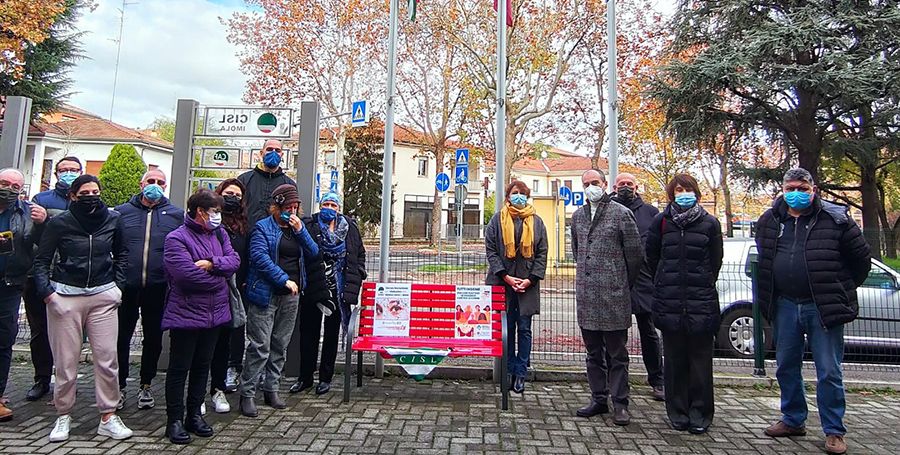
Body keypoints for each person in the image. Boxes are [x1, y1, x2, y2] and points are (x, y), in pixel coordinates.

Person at [757, 168, 870, 455]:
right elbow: (766, 257)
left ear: (813, 189)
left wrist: (837, 289)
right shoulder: (770, 220)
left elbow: (861, 261)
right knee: (785, 365)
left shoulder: (836, 219)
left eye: (803, 187)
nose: (797, 192)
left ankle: (834, 430)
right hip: (784, 304)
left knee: (829, 370)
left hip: (821, 306)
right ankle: (793, 419)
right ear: (783, 189)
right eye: (791, 187)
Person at [32, 175, 133, 442]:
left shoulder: (113, 219)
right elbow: (41, 260)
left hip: (103, 295)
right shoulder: (59, 222)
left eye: (95, 191)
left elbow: (123, 253)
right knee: (65, 363)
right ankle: (63, 415)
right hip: (65, 296)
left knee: (107, 358)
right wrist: (49, 295)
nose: (92, 195)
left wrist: (117, 288)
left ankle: (108, 415)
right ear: (74, 196)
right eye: (85, 191)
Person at [645, 173, 723, 435]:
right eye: (679, 189)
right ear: (672, 194)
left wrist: (700, 281)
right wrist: (666, 281)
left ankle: (700, 413)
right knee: (675, 362)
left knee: (700, 363)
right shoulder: (661, 222)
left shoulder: (710, 223)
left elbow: (715, 261)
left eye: (688, 189)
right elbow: (652, 257)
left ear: (697, 193)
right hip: (670, 301)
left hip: (701, 301)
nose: (683, 193)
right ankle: (677, 412)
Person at [161, 188, 240, 444]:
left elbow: (234, 261)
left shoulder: (219, 233)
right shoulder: (177, 238)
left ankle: (194, 415)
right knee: (179, 368)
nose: (218, 216)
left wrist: (212, 265)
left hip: (214, 315)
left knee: (202, 367)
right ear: (200, 212)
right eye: (215, 211)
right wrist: (219, 278)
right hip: (185, 314)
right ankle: (174, 419)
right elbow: (186, 276)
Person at [570, 169, 643, 426]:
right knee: (593, 353)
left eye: (595, 182)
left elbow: (635, 256)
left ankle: (620, 403)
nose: (591, 187)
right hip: (588, 297)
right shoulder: (578, 216)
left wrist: (619, 281)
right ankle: (598, 398)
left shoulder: (622, 214)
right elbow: (578, 251)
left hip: (614, 296)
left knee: (617, 354)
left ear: (604, 184)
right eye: (587, 183)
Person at [239, 184, 318, 417]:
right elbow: (259, 258)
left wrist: (302, 231)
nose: (291, 211)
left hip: (291, 297)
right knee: (260, 346)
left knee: (279, 345)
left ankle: (271, 389)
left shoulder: (297, 228)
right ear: (276, 207)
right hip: (265, 293)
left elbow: (314, 252)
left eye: (295, 207)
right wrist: (284, 279)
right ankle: (247, 393)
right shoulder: (263, 228)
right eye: (286, 207)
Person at [115, 169, 184, 411]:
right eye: (151, 181)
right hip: (126, 288)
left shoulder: (176, 215)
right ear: (141, 183)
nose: (155, 185)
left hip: (158, 287)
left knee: (153, 339)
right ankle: (119, 385)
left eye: (160, 182)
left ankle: (146, 384)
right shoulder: (121, 212)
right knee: (121, 338)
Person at [290, 192, 366, 396]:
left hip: (339, 289)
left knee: (331, 335)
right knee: (308, 333)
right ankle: (305, 377)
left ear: (339, 208)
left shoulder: (349, 227)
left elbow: (359, 253)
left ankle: (325, 378)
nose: (329, 208)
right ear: (320, 205)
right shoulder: (310, 224)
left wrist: (359, 272)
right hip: (314, 285)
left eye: (334, 205)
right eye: (326, 204)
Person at [22, 156, 81, 402]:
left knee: (74, 333)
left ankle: (68, 380)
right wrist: (43, 222)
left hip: (76, 275)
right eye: (63, 170)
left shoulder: (88, 200)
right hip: (43, 274)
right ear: (56, 174)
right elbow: (32, 237)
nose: (68, 173)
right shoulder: (41, 201)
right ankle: (41, 378)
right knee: (40, 331)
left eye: (73, 170)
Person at [484, 181, 548, 395]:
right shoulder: (497, 220)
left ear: (527, 197)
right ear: (507, 196)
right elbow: (491, 251)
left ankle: (520, 373)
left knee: (524, 329)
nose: (518, 196)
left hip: (527, 285)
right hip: (503, 282)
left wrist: (530, 279)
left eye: (522, 193)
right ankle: (508, 371)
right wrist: (505, 276)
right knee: (506, 329)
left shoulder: (537, 222)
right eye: (514, 193)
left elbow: (542, 254)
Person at [611, 172, 665, 401]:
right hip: (615, 280)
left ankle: (658, 380)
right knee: (614, 337)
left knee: (649, 333)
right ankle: (614, 383)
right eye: (621, 183)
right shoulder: (607, 210)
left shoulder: (651, 213)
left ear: (636, 186)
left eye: (629, 184)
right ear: (614, 187)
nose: (625, 187)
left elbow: (658, 247)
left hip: (643, 282)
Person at [0, 168, 46, 422]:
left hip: (9, 284)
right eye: (4, 183)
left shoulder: (27, 213)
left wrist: (41, 224)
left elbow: (38, 245)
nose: (8, 189)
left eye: (15, 186)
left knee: (4, 339)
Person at [208, 179, 250, 412]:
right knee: (207, 339)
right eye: (228, 193)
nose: (232, 197)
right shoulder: (210, 222)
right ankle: (200, 390)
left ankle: (222, 382)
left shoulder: (243, 225)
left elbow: (244, 256)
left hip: (235, 289)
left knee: (232, 334)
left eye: (236, 194)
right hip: (210, 288)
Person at [237, 140, 296, 226]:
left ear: (282, 155)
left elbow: (292, 213)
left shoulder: (289, 184)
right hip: (246, 234)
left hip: (275, 237)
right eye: (269, 149)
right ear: (261, 153)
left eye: (277, 150)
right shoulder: (244, 179)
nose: (273, 153)